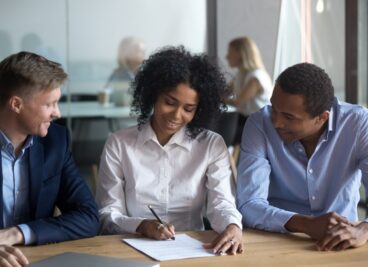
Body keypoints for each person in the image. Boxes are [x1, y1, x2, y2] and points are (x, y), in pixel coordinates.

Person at [96, 46, 243, 255]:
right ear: (153, 95)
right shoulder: (119, 143)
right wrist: (140, 225)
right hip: (130, 248)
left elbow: (222, 203)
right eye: (169, 102)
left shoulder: (211, 144)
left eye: (188, 109)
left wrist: (232, 226)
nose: (176, 115)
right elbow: (107, 212)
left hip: (193, 250)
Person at [0, 51, 99, 266]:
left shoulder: (56, 141)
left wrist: (17, 233)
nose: (57, 113)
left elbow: (88, 217)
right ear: (16, 104)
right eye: (49, 104)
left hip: (36, 261)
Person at [236, 62, 368, 251]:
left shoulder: (358, 123)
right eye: (274, 109)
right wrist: (306, 224)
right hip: (274, 241)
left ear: (322, 118)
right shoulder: (259, 124)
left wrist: (364, 229)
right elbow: (248, 204)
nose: (276, 122)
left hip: (341, 242)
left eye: (288, 117)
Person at [225, 37, 272, 145]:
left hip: (259, 124)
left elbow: (238, 102)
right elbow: (225, 91)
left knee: (220, 135)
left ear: (240, 54)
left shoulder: (256, 77)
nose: (227, 56)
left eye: (230, 52)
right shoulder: (240, 74)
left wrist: (218, 99)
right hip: (244, 119)